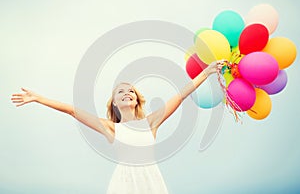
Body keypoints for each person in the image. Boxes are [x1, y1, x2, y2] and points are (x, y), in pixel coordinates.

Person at [11, 60, 224, 193]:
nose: (127, 93)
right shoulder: (111, 128)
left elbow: (181, 95)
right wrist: (39, 98)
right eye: (120, 92)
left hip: (151, 181)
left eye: (130, 90)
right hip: (124, 183)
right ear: (114, 102)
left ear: (137, 99)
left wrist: (207, 72)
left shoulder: (151, 122)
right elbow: (72, 110)